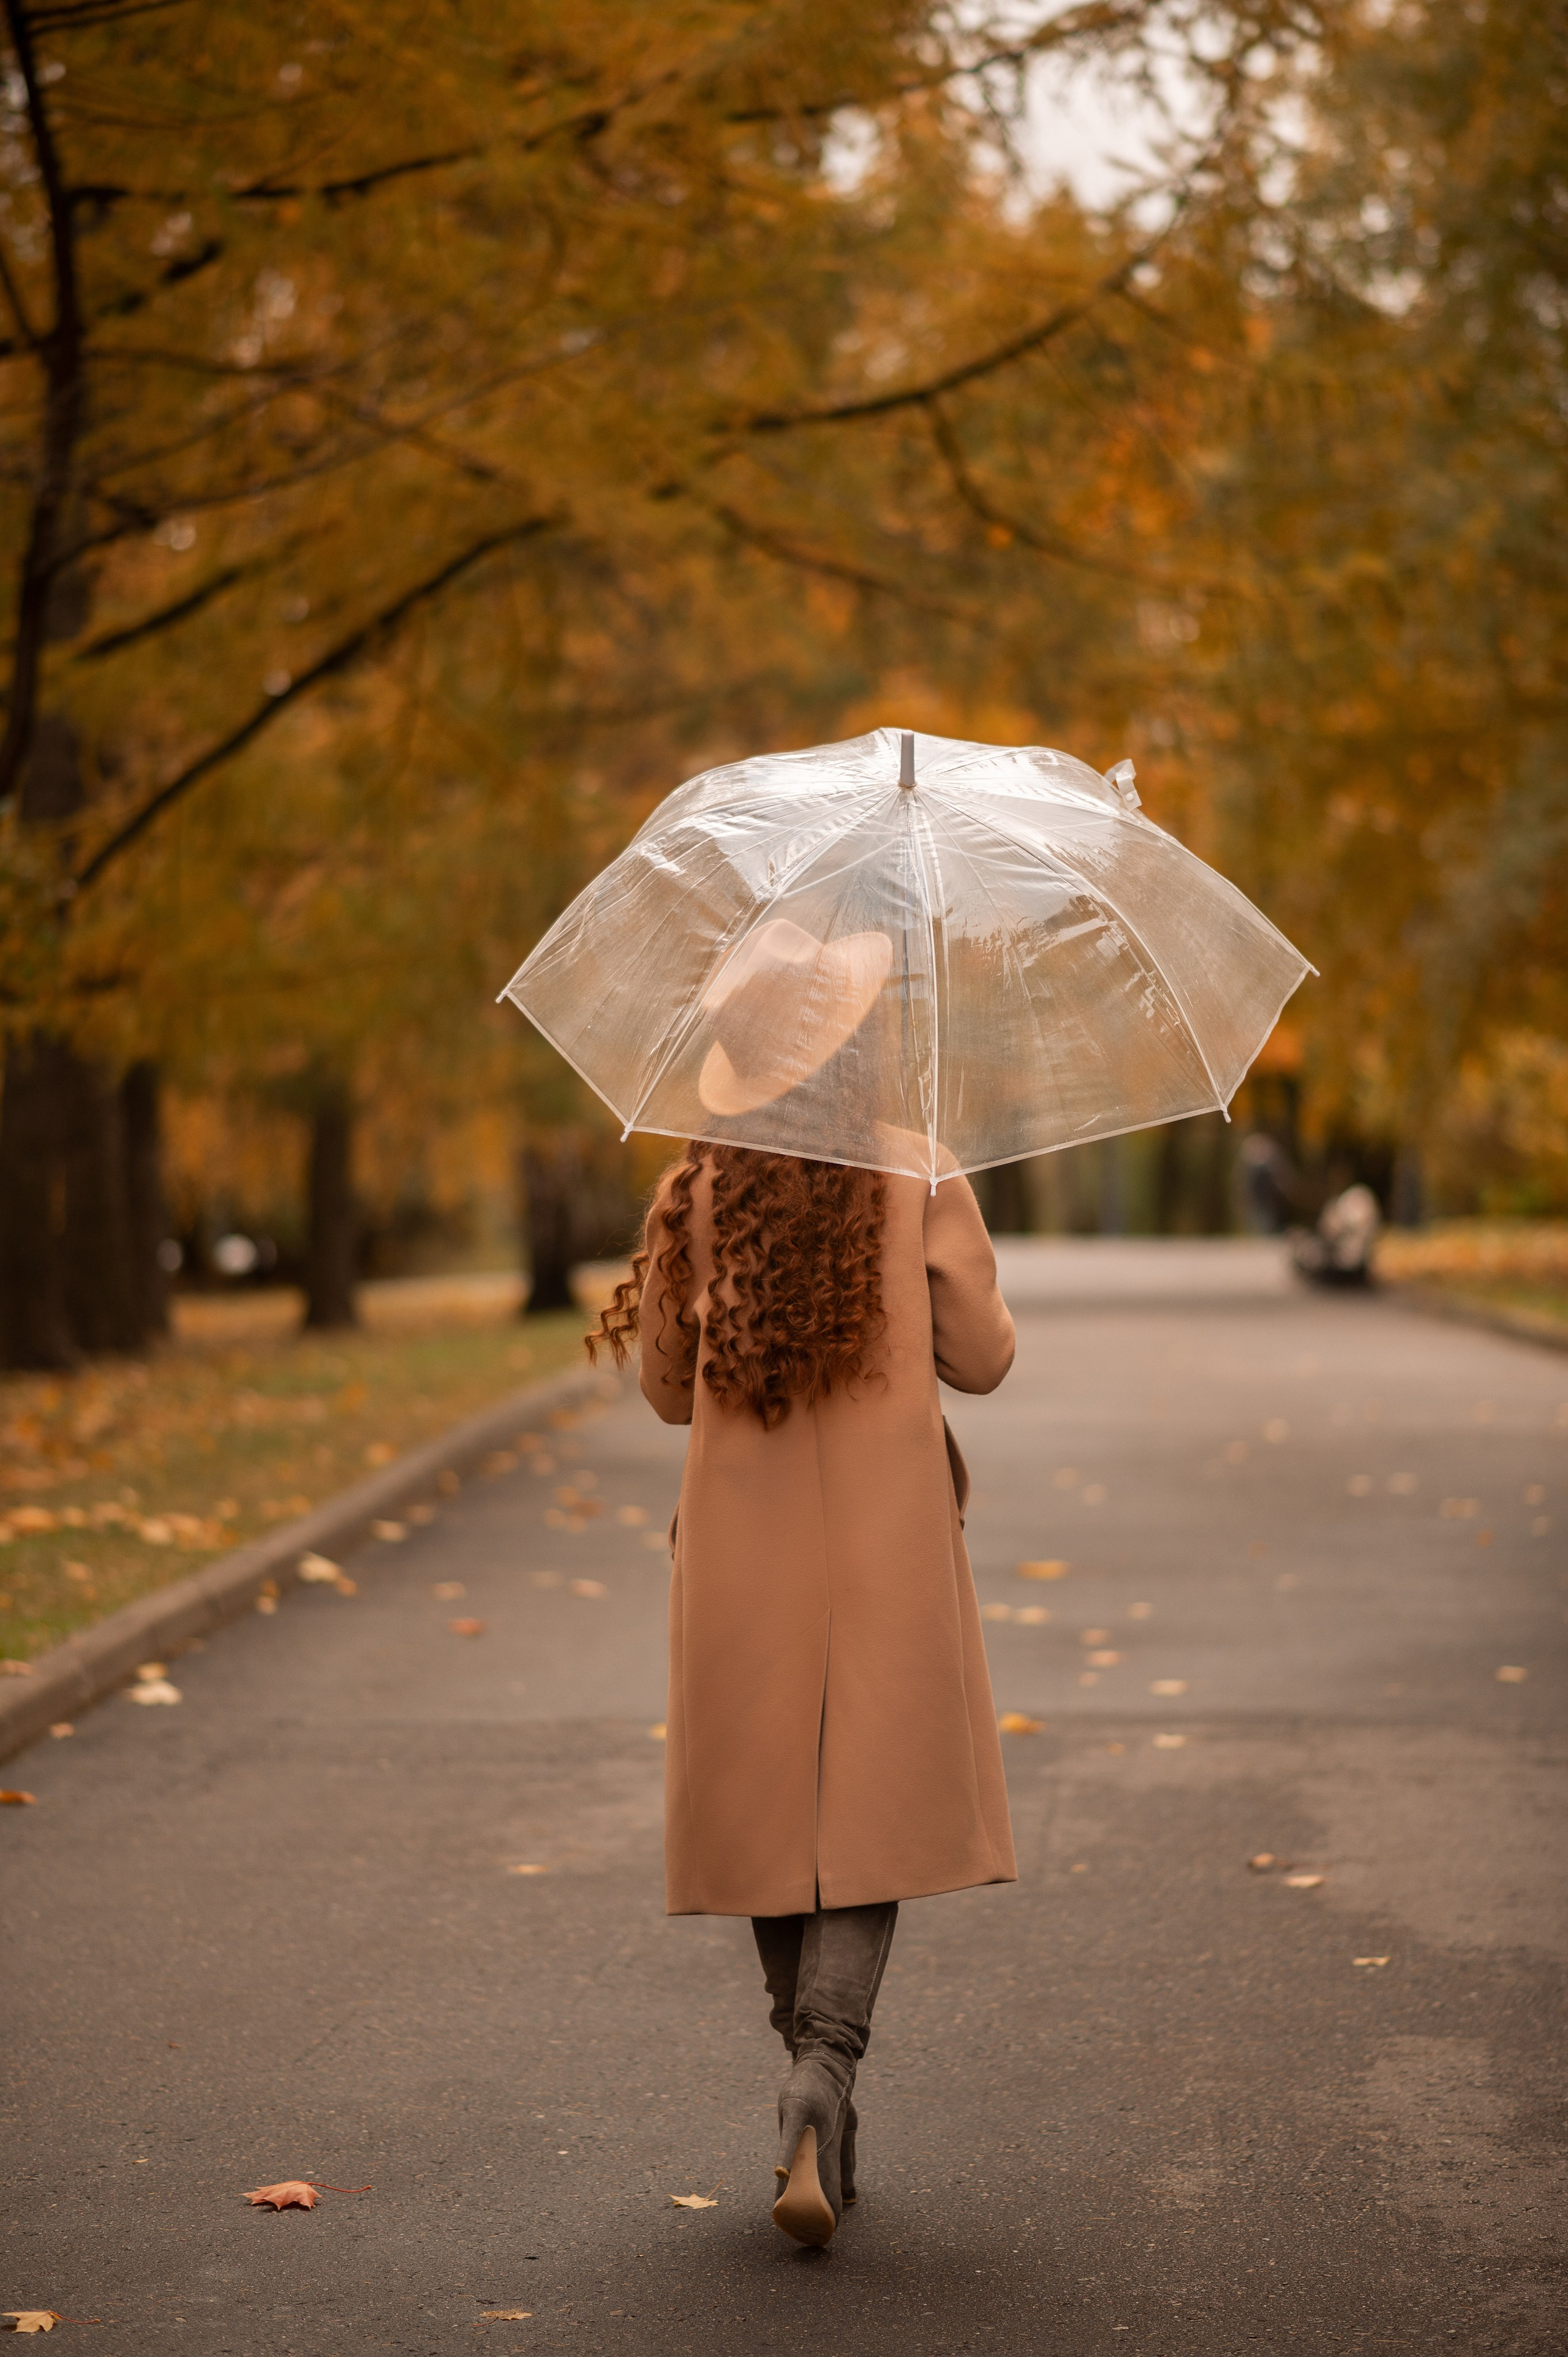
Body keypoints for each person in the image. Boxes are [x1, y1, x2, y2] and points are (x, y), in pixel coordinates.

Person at [590, 1136, 1017, 2247]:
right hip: (889, 1537)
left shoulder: (698, 1188)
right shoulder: (918, 1173)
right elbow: (982, 1358)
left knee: (777, 1808)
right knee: (868, 1809)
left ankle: (812, 2082)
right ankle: (822, 2075)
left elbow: (669, 1392)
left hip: (744, 1542)